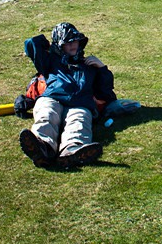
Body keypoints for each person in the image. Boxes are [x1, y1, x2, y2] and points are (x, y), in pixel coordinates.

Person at [19, 21, 116, 168]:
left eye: (74, 41)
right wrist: (47, 44)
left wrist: (102, 69)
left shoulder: (88, 65)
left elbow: (106, 93)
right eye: (67, 42)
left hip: (80, 103)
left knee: (79, 120)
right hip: (52, 98)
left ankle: (72, 151)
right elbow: (31, 44)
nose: (72, 45)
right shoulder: (51, 61)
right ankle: (42, 147)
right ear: (59, 45)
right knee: (47, 113)